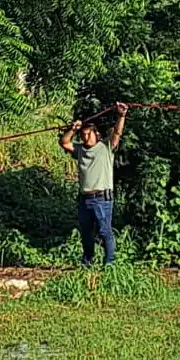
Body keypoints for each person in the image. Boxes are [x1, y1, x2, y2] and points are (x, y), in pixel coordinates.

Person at [59, 104, 128, 267]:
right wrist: (73, 129)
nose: (85, 138)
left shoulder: (105, 147)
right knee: (86, 234)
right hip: (85, 199)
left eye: (87, 134)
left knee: (104, 231)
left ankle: (109, 263)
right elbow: (64, 142)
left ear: (96, 134)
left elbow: (117, 133)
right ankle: (87, 262)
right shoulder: (79, 150)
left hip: (102, 198)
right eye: (82, 135)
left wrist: (121, 116)